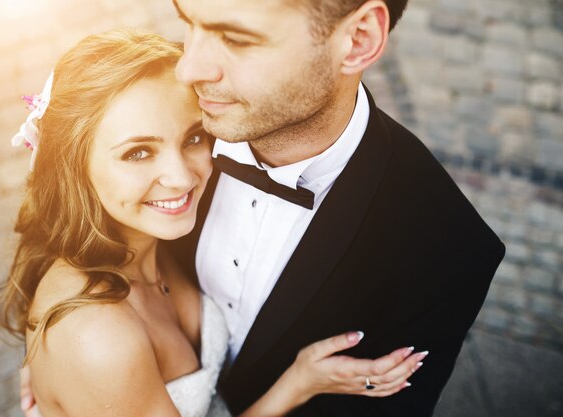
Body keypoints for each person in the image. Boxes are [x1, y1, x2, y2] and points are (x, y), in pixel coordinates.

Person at [0, 29, 426, 417]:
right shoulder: (98, 341)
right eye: (138, 153)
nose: (183, 177)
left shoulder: (148, 239)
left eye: (193, 138)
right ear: (73, 167)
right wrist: (298, 384)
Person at [161, 0, 505, 416]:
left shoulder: (446, 250)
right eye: (188, 22)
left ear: (358, 40)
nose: (188, 69)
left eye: (236, 38)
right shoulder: (146, 126)